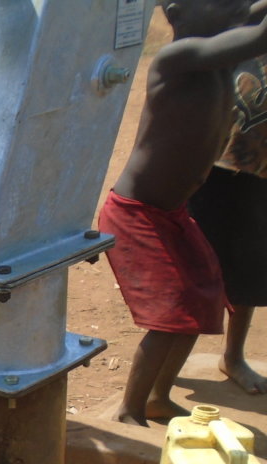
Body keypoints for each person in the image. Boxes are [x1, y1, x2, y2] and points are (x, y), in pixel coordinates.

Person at [99, 0, 267, 426]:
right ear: (178, 14)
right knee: (171, 316)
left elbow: (248, 25)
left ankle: (157, 397)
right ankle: (129, 409)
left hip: (171, 212)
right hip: (138, 213)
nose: (236, 6)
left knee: (201, 301)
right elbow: (257, 33)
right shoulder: (177, 59)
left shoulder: (217, 64)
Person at [188, 52, 267, 394]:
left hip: (260, 175)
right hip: (212, 168)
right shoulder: (239, 28)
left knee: (248, 265)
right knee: (191, 267)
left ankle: (233, 357)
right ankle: (163, 367)